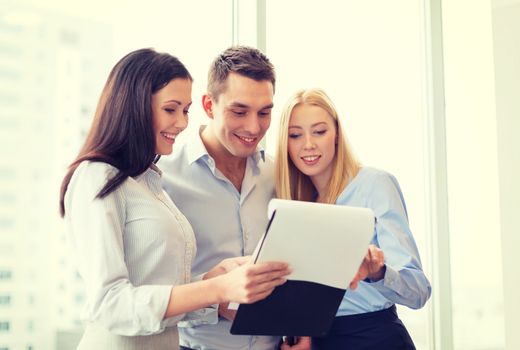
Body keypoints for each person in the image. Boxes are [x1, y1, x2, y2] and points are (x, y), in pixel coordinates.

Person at [58, 48, 291, 350]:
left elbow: (161, 298)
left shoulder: (148, 180)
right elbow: (109, 304)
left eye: (185, 110)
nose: (182, 123)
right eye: (171, 109)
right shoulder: (97, 177)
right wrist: (216, 288)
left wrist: (213, 281)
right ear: (135, 106)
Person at [160, 46, 306, 350]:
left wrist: (300, 330)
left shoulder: (280, 174)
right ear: (209, 105)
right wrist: (215, 300)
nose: (254, 127)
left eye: (264, 112)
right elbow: (149, 293)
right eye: (239, 112)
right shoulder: (164, 177)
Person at [275, 88, 432, 350]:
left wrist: (377, 272)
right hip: (320, 342)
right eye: (295, 135)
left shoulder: (374, 185)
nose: (308, 144)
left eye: (319, 131)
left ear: (336, 134)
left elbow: (418, 292)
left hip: (374, 338)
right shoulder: (296, 205)